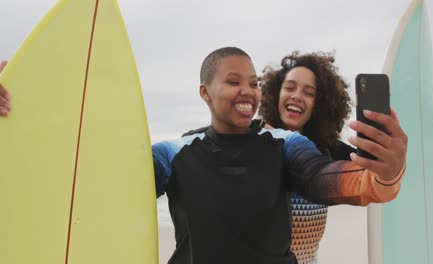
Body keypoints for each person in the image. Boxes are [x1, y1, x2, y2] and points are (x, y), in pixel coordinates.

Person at [0, 47, 407, 264]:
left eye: (252, 82)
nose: (248, 91)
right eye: (233, 81)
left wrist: (383, 177)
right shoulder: (175, 151)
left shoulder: (286, 144)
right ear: (204, 92)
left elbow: (328, 179)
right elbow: (99, 176)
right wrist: (28, 105)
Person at [259, 51, 356, 263]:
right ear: (276, 93)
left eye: (309, 93)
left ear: (320, 104)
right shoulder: (255, 144)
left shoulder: (329, 152)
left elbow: (370, 177)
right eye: (290, 87)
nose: (296, 96)